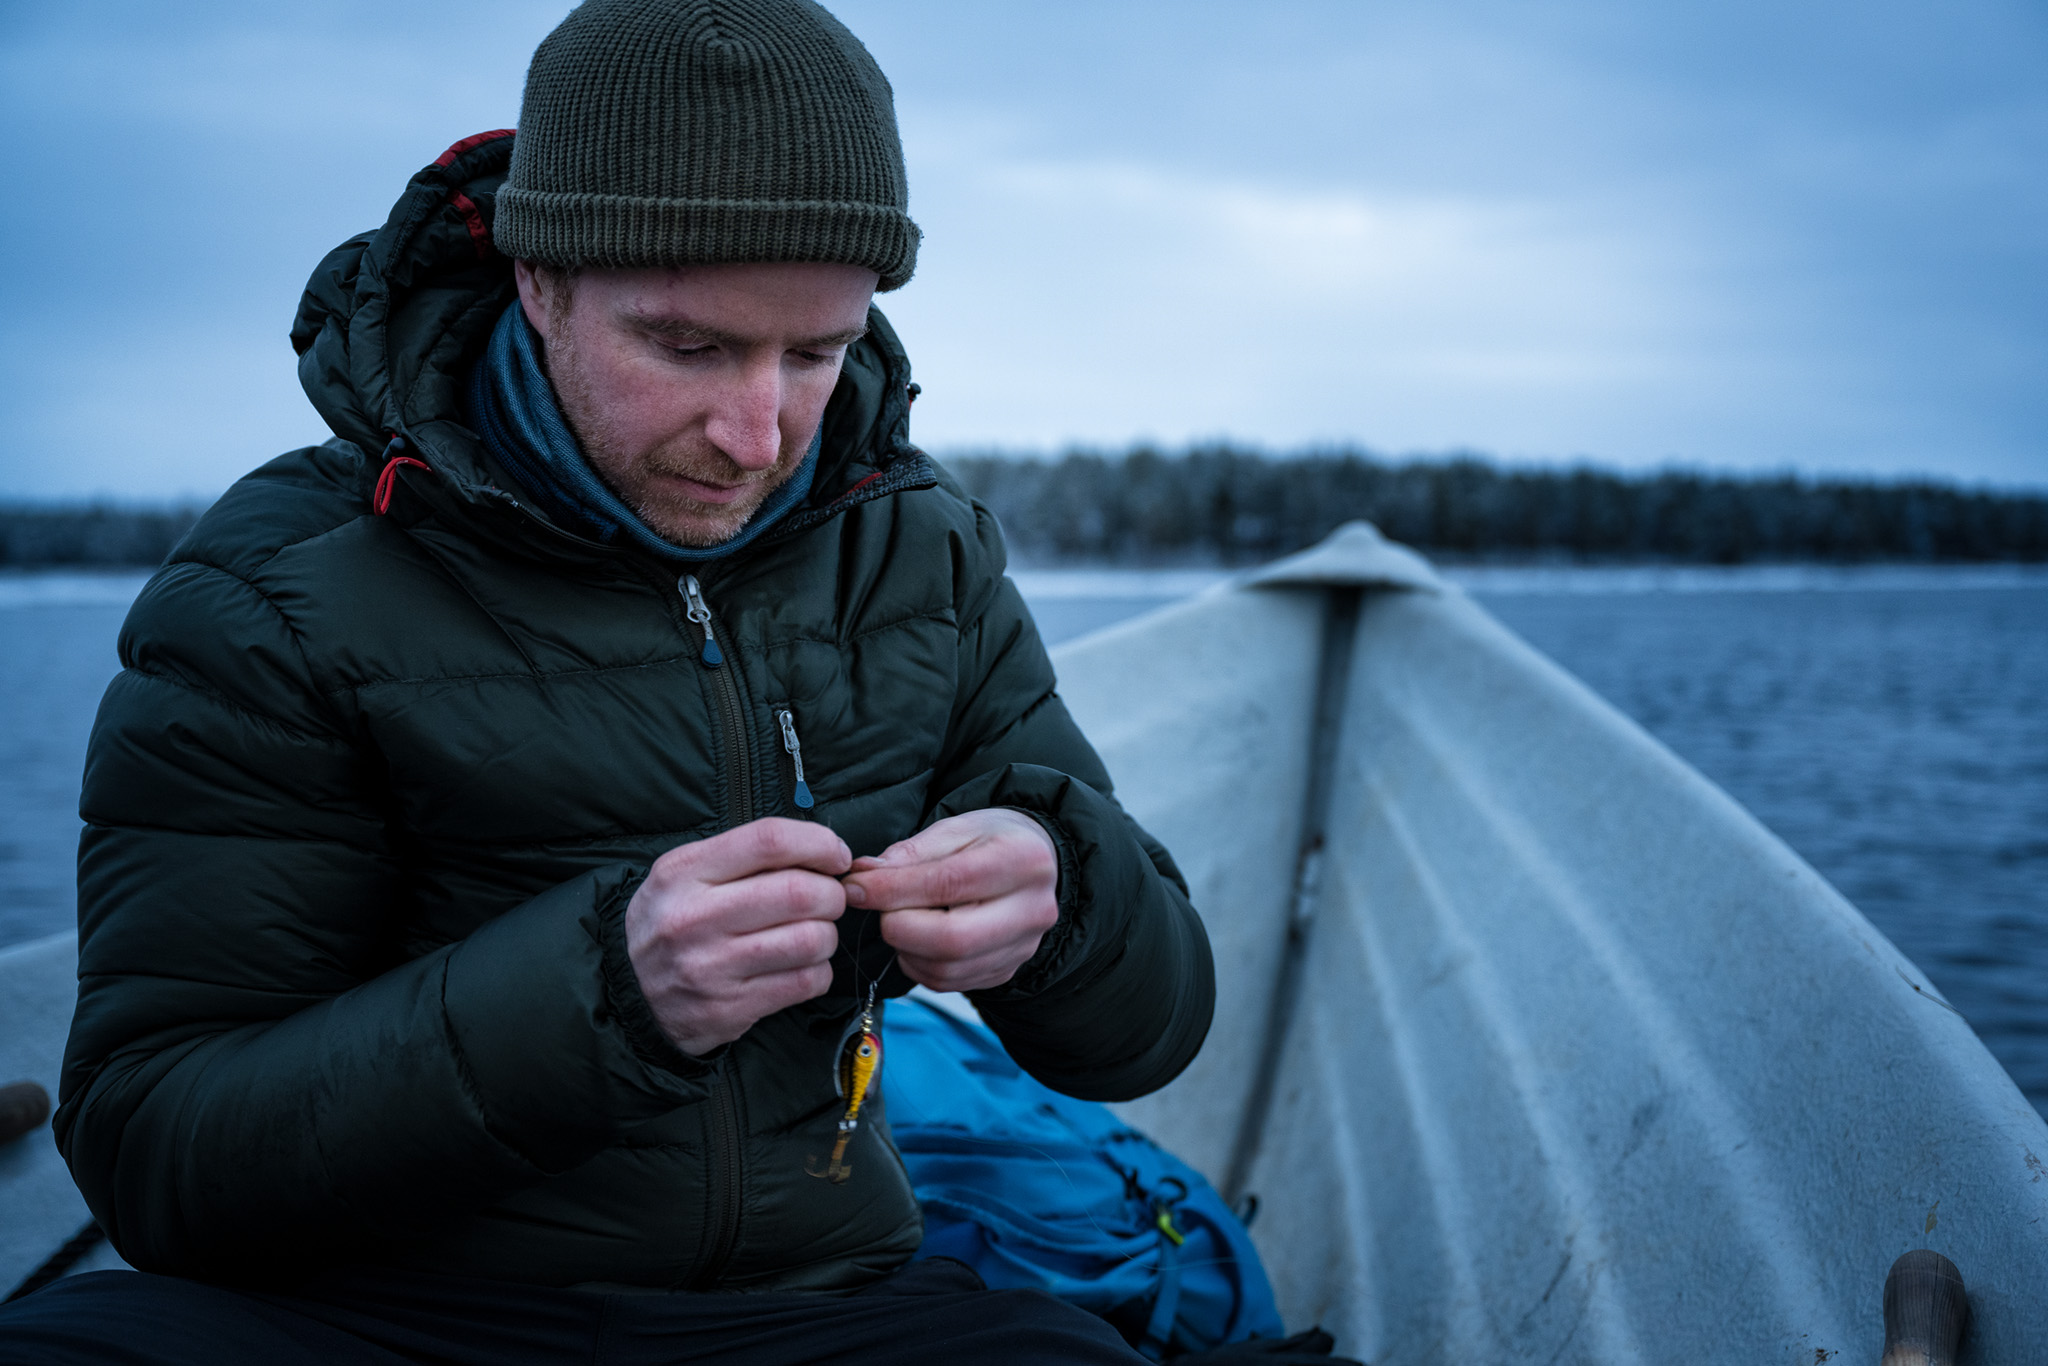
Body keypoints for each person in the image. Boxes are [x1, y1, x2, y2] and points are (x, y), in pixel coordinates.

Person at [0, 2, 1226, 1361]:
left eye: (814, 355)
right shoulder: (271, 593)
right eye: (689, 348)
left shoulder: (919, 554)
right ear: (539, 280)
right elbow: (156, 1152)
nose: (756, 433)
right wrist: (606, 994)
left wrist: (1062, 902)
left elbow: (1149, 1032)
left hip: (817, 1311)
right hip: (375, 1316)